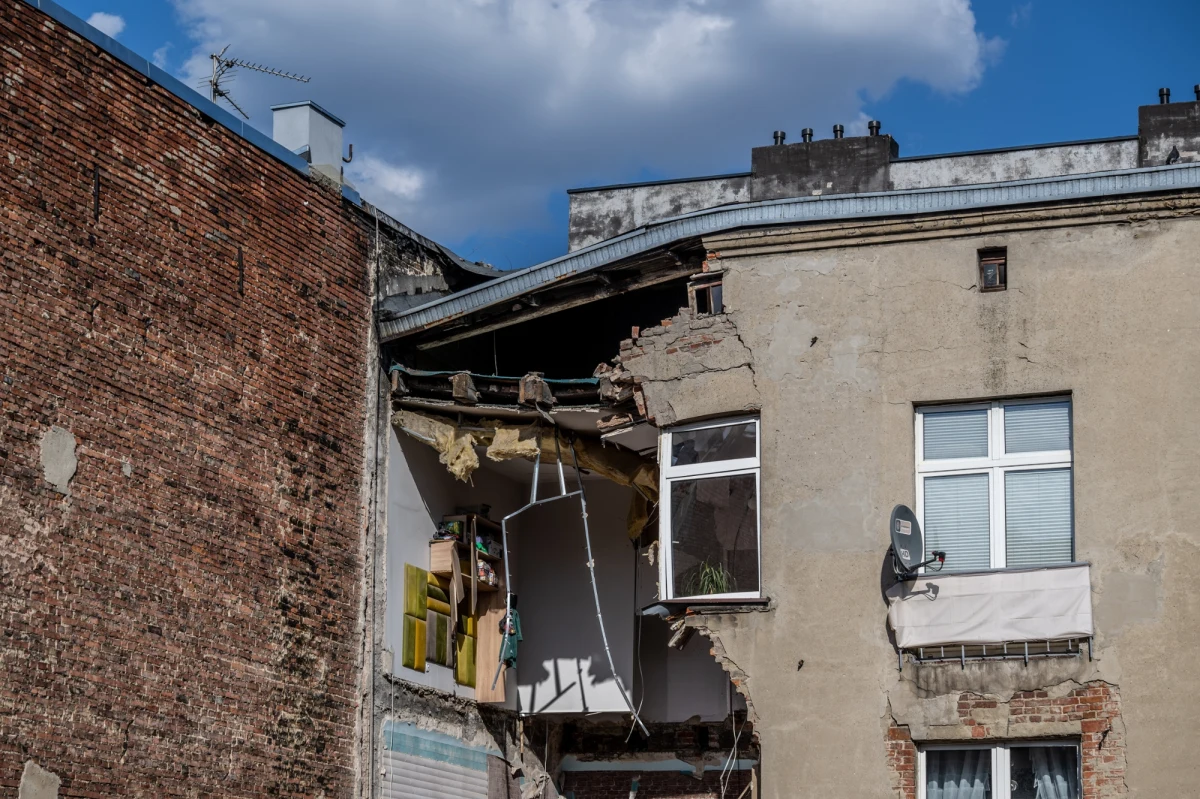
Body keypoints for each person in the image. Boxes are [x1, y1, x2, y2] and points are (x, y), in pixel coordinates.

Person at [500, 594, 522, 669]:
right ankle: (504, 658)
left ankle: (511, 661)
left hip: (513, 633)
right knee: (505, 646)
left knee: (512, 648)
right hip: (507, 632)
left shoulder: (515, 613)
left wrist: (519, 636)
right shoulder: (508, 612)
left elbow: (517, 624)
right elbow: (502, 623)